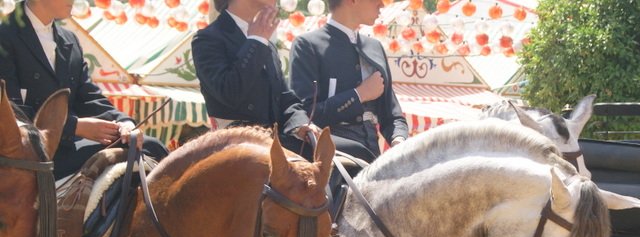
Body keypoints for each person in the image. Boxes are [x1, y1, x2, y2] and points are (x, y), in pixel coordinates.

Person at [0, 0, 169, 179]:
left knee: (151, 147)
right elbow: (12, 112)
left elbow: (89, 97)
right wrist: (74, 127)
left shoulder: (69, 39)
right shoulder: (4, 36)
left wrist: (124, 124)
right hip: (28, 157)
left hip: (72, 147)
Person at [192, 0, 318, 157]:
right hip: (234, 150)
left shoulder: (267, 44)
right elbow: (229, 92)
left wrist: (300, 124)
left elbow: (285, 99)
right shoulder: (208, 39)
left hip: (274, 146)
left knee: (332, 155)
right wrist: (255, 41)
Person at [289, 0, 408, 162]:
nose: (381, 5)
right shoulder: (307, 45)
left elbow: (393, 114)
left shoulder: (375, 47)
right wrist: (359, 95)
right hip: (331, 158)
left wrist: (399, 141)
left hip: (373, 154)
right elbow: (305, 115)